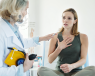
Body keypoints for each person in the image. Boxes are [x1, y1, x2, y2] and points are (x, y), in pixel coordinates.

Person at [0, 0, 56, 76]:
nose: (26, 13)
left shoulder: (13, 28)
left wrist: (43, 38)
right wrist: (23, 68)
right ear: (16, 9)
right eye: (25, 9)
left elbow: (22, 43)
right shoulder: (2, 32)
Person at [37, 8, 89, 76]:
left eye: (69, 18)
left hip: (77, 73)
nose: (65, 20)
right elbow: (50, 60)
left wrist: (71, 66)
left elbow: (83, 59)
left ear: (75, 21)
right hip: (59, 73)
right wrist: (59, 48)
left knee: (93, 69)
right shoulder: (55, 37)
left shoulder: (83, 37)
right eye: (64, 18)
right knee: (41, 70)